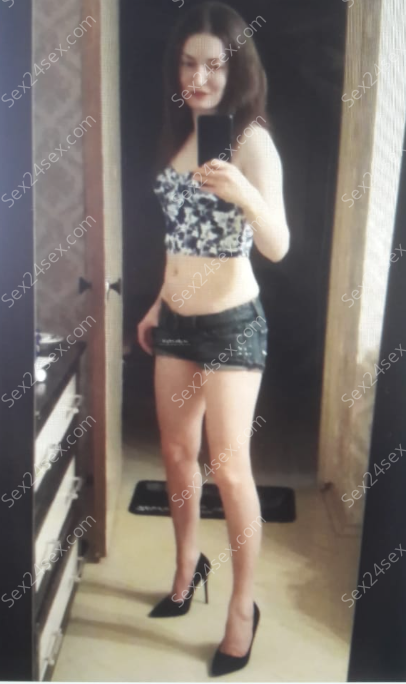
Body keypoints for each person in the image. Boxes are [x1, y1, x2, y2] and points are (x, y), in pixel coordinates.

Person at [137, 1, 290, 676]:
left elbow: (278, 245)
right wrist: (155, 303)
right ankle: (185, 567)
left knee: (228, 469)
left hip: (231, 325)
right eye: (188, 63)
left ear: (236, 69)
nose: (198, 77)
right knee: (177, 457)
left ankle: (242, 608)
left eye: (214, 65)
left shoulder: (251, 141)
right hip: (174, 321)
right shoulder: (181, 130)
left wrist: (245, 195)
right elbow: (183, 238)